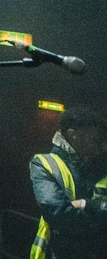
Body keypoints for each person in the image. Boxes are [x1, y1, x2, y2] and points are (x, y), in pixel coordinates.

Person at [30, 105, 107, 259]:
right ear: (73, 136)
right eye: (95, 140)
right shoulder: (44, 163)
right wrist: (97, 211)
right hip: (59, 253)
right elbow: (57, 214)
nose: (101, 147)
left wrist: (83, 204)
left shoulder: (97, 164)